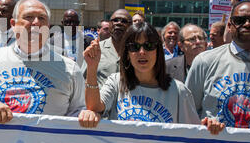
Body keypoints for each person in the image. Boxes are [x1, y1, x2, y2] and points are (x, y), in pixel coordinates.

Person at [0, 0, 86, 124]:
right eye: (28, 17)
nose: (36, 23)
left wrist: (87, 114)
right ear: (13, 24)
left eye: (42, 18)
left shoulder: (70, 69)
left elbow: (78, 110)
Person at [79, 22, 224, 135]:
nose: (142, 52)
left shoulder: (179, 91)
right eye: (135, 47)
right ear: (127, 54)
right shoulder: (116, 82)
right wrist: (92, 67)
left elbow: (194, 136)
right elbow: (95, 107)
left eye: (148, 46)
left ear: (158, 51)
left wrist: (209, 128)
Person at [185, 0, 250, 129]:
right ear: (229, 25)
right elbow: (187, 113)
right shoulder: (204, 61)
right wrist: (203, 125)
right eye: (240, 20)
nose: (247, 24)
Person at [88, 9, 132, 88]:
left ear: (131, 26)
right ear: (110, 25)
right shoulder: (95, 49)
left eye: (124, 21)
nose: (119, 23)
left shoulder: (138, 51)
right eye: (115, 20)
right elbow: (82, 78)